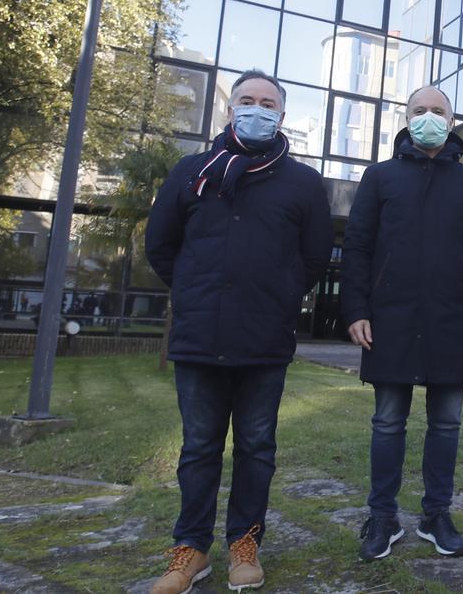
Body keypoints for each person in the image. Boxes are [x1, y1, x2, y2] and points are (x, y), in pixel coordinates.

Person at [144, 69, 333, 593]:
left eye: (267, 102)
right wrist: (194, 290)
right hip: (200, 336)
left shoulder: (302, 182)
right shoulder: (191, 170)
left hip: (264, 339)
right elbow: (161, 246)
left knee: (256, 446)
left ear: (281, 115)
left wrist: (278, 294)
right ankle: (191, 549)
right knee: (199, 447)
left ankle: (244, 543)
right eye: (246, 100)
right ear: (230, 109)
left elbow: (315, 256)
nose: (256, 108)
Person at [342, 86, 463, 561]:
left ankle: (437, 515)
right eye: (420, 110)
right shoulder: (379, 177)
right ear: (406, 119)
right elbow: (357, 247)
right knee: (387, 422)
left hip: (454, 321)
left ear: (453, 122)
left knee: (447, 423)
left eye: (438, 111)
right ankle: (383, 517)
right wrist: (355, 310)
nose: (429, 117)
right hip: (389, 321)